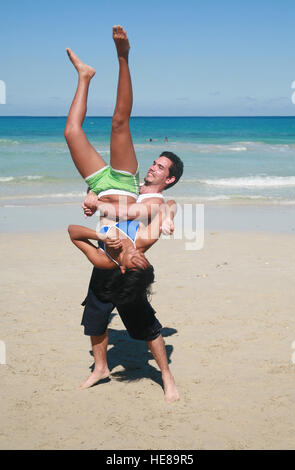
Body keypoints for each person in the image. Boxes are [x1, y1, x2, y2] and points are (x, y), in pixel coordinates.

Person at [65, 26, 183, 402]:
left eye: (161, 167)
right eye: (155, 164)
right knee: (119, 122)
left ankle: (85, 77)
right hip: (117, 184)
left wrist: (98, 209)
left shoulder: (106, 257)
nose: (154, 168)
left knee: (71, 132)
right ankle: (123, 56)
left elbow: (78, 229)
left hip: (105, 190)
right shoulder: (144, 199)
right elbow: (147, 207)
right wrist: (164, 216)